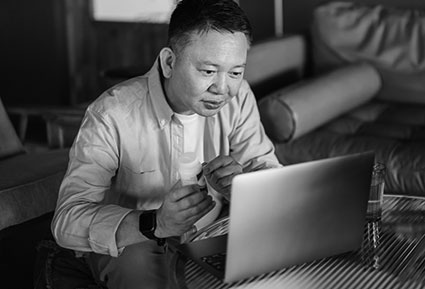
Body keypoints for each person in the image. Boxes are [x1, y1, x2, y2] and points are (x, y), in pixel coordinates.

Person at [51, 0, 282, 288]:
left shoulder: (239, 97)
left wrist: (244, 185)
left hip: (212, 230)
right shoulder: (112, 114)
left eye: (235, 72)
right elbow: (67, 221)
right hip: (136, 238)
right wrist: (155, 223)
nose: (223, 89)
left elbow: (267, 168)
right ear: (169, 62)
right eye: (208, 71)